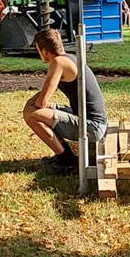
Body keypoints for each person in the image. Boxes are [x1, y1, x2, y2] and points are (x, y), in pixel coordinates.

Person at [22, 27, 107, 173]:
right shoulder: (70, 57)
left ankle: (66, 160)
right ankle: (64, 155)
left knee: (32, 115)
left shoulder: (58, 63)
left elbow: (41, 102)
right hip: (88, 118)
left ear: (44, 51)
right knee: (35, 110)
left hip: (93, 126)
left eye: (38, 50)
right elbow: (43, 97)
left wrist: (34, 104)